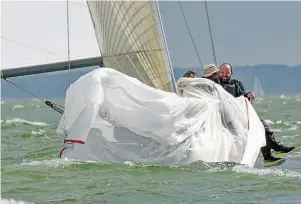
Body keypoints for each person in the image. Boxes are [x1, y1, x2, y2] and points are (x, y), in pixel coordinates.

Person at [219, 63, 295, 166]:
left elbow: (243, 95)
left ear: (231, 73)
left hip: (240, 116)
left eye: (227, 72)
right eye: (222, 72)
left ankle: (269, 156)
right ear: (219, 73)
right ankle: (273, 152)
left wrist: (248, 94)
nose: (224, 74)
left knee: (260, 125)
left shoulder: (236, 83)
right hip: (226, 120)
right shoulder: (216, 85)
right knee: (259, 126)